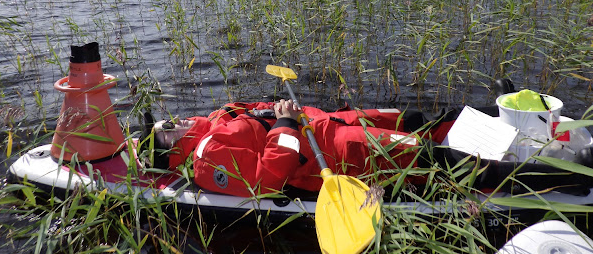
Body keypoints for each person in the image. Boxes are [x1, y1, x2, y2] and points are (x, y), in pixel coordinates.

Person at [145, 99, 454, 197]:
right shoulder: (207, 157)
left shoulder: (218, 116)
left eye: (167, 121)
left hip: (325, 121)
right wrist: (285, 124)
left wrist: (283, 107)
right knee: (426, 156)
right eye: (169, 130)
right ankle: (494, 173)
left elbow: (260, 108)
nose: (177, 122)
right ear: (172, 152)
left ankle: (491, 111)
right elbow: (268, 178)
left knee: (412, 118)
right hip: (332, 153)